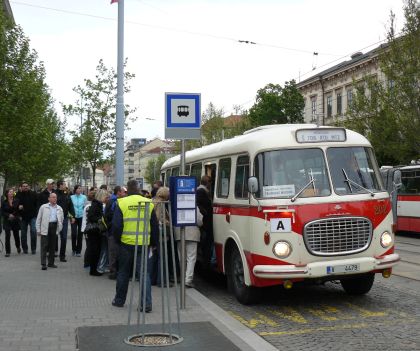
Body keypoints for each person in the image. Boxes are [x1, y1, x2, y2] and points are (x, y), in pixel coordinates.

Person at [111, 179, 159, 311]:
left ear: (128, 189)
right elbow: (154, 226)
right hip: (143, 244)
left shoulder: (121, 202)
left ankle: (119, 300)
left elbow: (116, 226)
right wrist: (154, 243)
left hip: (126, 244)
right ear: (138, 189)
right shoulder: (148, 203)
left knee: (123, 272)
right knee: (144, 274)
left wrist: (118, 240)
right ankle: (146, 305)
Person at [175, 206, 203, 288]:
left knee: (181, 257)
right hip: (192, 234)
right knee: (191, 258)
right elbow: (199, 221)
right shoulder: (194, 205)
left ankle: (183, 277)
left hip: (179, 234)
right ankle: (188, 280)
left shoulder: (177, 204)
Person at [104, 185, 127, 280]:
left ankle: (115, 272)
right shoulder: (114, 202)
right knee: (113, 253)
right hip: (113, 231)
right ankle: (113, 272)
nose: (125, 194)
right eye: (123, 192)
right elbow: (109, 216)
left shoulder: (113, 201)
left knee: (115, 252)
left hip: (114, 230)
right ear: (118, 192)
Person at [36, 193, 63, 270]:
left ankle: (51, 263)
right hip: (45, 227)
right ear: (49, 198)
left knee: (52, 246)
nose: (55, 199)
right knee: (44, 246)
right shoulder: (43, 207)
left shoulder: (59, 208)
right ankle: (43, 264)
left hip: (54, 227)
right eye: (53, 197)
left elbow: (61, 218)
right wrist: (38, 229)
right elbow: (38, 219)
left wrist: (59, 228)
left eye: (56, 197)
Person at [85, 189, 109, 276]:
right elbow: (91, 216)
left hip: (93, 231)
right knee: (95, 250)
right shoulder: (96, 205)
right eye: (105, 196)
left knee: (95, 250)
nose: (106, 198)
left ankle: (93, 269)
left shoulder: (96, 204)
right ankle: (93, 270)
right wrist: (100, 220)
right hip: (94, 230)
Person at [196, 175, 214, 268]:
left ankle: (206, 260)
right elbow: (198, 204)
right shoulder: (200, 191)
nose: (211, 184)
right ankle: (205, 262)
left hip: (206, 221)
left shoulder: (204, 191)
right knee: (205, 242)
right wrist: (205, 213)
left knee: (207, 241)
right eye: (210, 182)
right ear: (207, 183)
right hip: (205, 222)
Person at [16, 182, 38, 254]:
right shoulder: (18, 195)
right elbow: (15, 205)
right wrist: (18, 208)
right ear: (21, 187)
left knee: (33, 232)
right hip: (23, 217)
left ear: (28, 187)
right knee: (23, 234)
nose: (25, 187)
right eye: (24, 186)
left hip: (32, 216)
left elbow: (37, 204)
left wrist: (36, 214)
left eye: (26, 186)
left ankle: (33, 249)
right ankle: (25, 248)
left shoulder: (33, 194)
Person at [55, 180, 75, 262]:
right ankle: (52, 253)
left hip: (65, 218)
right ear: (60, 185)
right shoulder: (54, 194)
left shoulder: (67, 194)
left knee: (64, 237)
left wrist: (73, 216)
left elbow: (70, 206)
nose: (65, 186)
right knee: (54, 237)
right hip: (55, 218)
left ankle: (62, 255)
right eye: (64, 184)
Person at [2, 189, 21, 257]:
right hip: (7, 220)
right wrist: (8, 215)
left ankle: (18, 246)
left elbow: (18, 210)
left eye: (12, 192)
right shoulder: (4, 202)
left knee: (16, 235)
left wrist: (19, 209)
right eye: (10, 192)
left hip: (15, 220)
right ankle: (8, 251)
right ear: (7, 194)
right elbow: (2, 212)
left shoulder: (17, 200)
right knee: (7, 235)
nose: (11, 193)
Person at [70, 185, 87, 257]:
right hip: (73, 217)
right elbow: (69, 208)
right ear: (75, 189)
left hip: (81, 217)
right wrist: (71, 217)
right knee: (74, 233)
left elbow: (85, 207)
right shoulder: (71, 197)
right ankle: (74, 249)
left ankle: (78, 251)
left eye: (81, 188)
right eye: (79, 188)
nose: (80, 189)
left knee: (80, 234)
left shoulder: (84, 197)